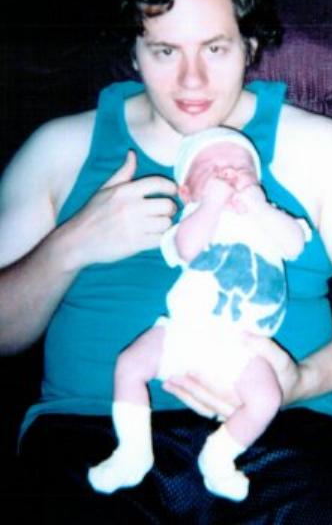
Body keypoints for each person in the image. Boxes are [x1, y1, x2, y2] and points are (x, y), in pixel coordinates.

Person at [0, 0, 332, 524]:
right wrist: (69, 247)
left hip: (284, 430)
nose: (191, 81)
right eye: (165, 51)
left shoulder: (323, 150)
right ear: (134, 52)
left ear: (249, 45)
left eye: (215, 49)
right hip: (89, 432)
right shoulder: (58, 150)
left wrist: (301, 380)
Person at [88, 126, 310, 501]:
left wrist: (259, 207)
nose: (228, 173)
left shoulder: (270, 218)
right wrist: (210, 206)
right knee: (129, 364)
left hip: (243, 346)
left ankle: (219, 457)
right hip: (184, 331)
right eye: (211, 169)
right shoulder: (193, 219)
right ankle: (132, 452)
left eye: (241, 168)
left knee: (267, 399)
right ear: (187, 192)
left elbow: (293, 245)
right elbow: (189, 249)